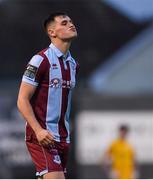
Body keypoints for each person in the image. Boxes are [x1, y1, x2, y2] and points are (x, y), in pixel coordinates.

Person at [17, 12, 79, 179]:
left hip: (63, 137)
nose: (71, 25)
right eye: (64, 23)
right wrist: (38, 131)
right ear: (52, 32)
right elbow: (22, 100)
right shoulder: (40, 60)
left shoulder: (73, 64)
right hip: (43, 136)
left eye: (71, 22)